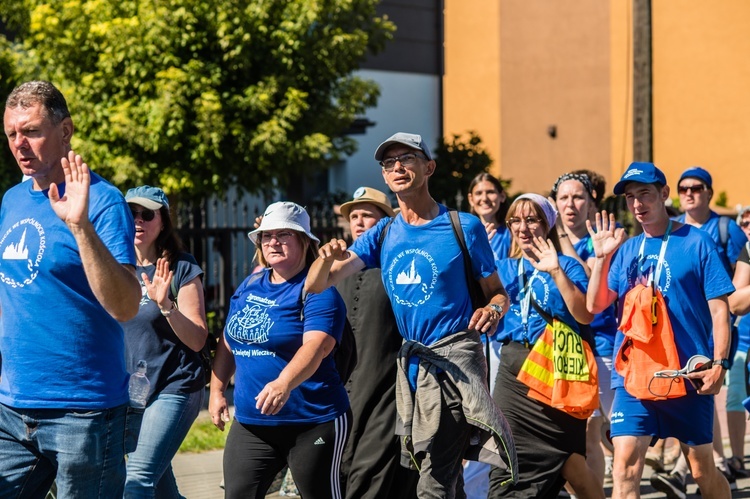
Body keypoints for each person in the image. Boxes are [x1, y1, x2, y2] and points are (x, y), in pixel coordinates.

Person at [306, 132, 516, 499]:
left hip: (455, 364)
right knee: (448, 476)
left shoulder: (462, 227)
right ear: (385, 178)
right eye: (389, 163)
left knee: (432, 483)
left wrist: (493, 309)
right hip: (413, 370)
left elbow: (498, 293)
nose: (397, 167)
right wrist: (324, 258)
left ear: (429, 167)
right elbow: (317, 286)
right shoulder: (383, 232)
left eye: (407, 158)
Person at [0, 80, 142, 497]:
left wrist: (80, 227)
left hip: (82, 411)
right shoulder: (11, 200)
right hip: (12, 408)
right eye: (11, 134)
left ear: (65, 131)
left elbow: (126, 305)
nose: (19, 144)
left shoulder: (102, 201)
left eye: (32, 131)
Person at [586, 161, 733, 499]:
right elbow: (596, 304)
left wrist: (720, 364)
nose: (637, 204)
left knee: (701, 471)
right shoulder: (625, 251)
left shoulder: (696, 243)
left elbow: (719, 310)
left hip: (687, 374)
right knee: (625, 466)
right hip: (634, 377)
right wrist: (600, 258)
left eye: (645, 194)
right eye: (630, 198)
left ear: (664, 194)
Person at [208, 201, 351, 499]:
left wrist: (283, 382)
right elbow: (229, 338)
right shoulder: (251, 284)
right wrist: (217, 390)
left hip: (313, 420)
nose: (273, 241)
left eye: (284, 234)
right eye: (266, 235)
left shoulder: (318, 291)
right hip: (252, 423)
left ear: (304, 241)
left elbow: (317, 346)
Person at [486, 193, 603, 499]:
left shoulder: (568, 266)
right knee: (505, 457)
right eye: (515, 220)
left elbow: (585, 314)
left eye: (532, 219)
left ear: (547, 224)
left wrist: (555, 271)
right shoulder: (502, 267)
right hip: (514, 372)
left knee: (570, 463)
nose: (522, 227)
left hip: (557, 371)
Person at [650, 166, 745, 494]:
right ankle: (710, 463)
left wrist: (722, 310)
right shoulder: (671, 233)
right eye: (684, 187)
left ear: (708, 191)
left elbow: (738, 278)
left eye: (697, 187)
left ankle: (685, 470)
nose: (689, 192)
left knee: (705, 390)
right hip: (678, 332)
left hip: (714, 328)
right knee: (697, 396)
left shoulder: (725, 229)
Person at [122, 185, 209, 497]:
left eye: (147, 214)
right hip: (129, 392)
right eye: (131, 213)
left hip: (174, 386)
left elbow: (199, 339)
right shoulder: (114, 266)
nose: (137, 220)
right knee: (162, 490)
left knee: (136, 480)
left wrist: (166, 306)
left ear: (163, 222)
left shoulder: (181, 266)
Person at [336, 186, 419, 499]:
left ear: (385, 222)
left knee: (371, 474)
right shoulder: (336, 269)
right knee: (341, 470)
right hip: (344, 392)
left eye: (366, 215)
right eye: (353, 216)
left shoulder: (399, 267)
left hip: (386, 390)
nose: (358, 221)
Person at [551, 172, 620, 489]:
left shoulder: (603, 237)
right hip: (567, 349)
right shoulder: (547, 240)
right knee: (584, 434)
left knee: (620, 433)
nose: (570, 204)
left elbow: (593, 286)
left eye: (578, 197)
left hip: (603, 346)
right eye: (563, 198)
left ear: (592, 202)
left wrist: (563, 239)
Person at [463, 173, 510, 499]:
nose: (485, 198)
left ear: (501, 196)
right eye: (478, 193)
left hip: (504, 338)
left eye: (491, 192)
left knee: (494, 413)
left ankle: (486, 485)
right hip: (468, 337)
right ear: (470, 198)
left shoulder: (511, 236)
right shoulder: (461, 233)